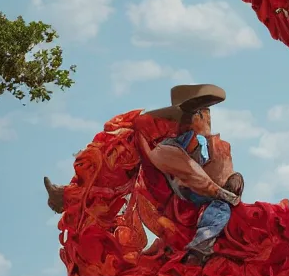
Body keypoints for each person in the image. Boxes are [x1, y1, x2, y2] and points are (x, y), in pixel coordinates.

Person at [44, 83, 244, 266]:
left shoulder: (201, 143)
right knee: (114, 160)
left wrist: (212, 143)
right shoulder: (166, 145)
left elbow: (218, 174)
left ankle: (200, 248)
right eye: (202, 112)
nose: (207, 117)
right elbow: (197, 179)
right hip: (173, 201)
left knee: (225, 204)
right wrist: (225, 194)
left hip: (188, 199)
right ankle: (199, 250)